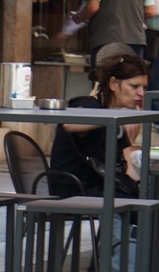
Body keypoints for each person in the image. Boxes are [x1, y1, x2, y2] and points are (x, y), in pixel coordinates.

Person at [50, 54, 149, 200]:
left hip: (99, 188)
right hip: (74, 191)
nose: (141, 93)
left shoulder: (116, 118)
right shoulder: (88, 104)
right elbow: (69, 124)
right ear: (113, 84)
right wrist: (120, 118)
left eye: (144, 88)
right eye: (134, 86)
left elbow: (128, 168)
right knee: (139, 205)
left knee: (149, 197)